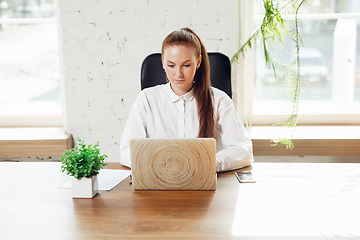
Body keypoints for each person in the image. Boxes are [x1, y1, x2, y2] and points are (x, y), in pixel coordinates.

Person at [120, 27, 253, 172]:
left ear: (198, 62)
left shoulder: (219, 100)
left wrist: (206, 163)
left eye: (186, 65)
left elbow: (243, 150)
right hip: (158, 183)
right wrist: (159, 165)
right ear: (163, 62)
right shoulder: (147, 99)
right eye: (171, 65)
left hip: (204, 183)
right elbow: (127, 150)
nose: (178, 74)